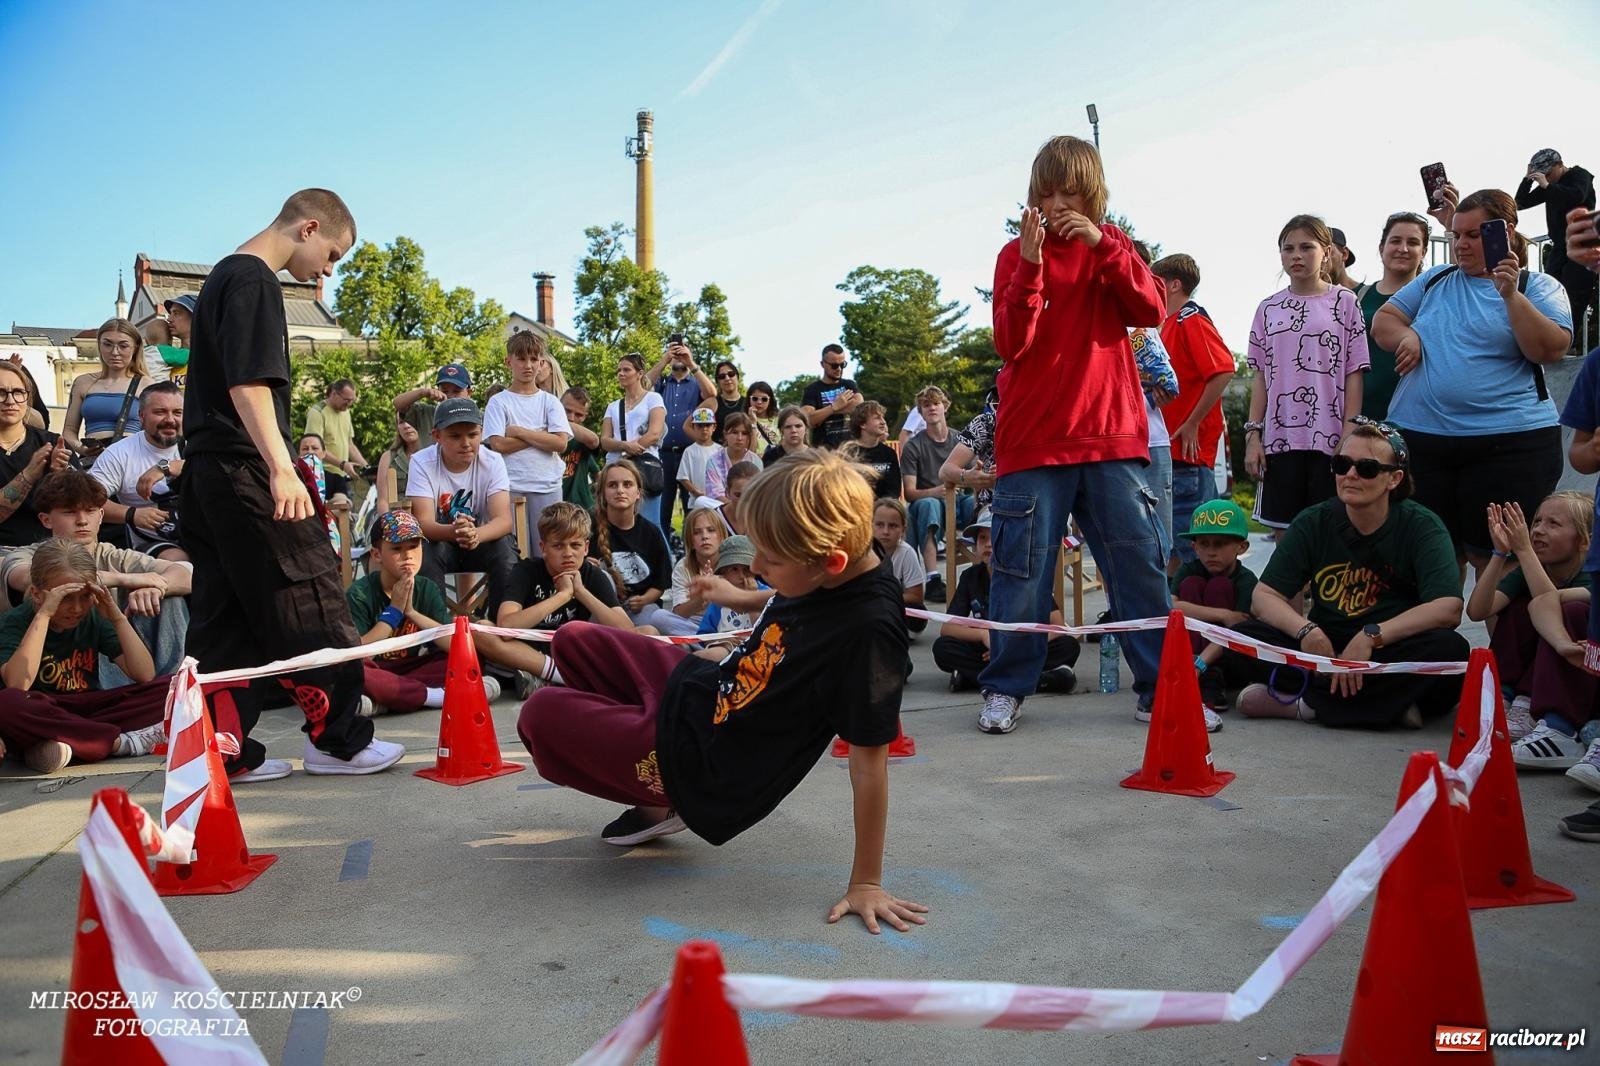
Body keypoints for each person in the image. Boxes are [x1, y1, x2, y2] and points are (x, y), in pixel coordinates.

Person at [518, 450, 930, 934]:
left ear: (830, 561)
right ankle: (638, 765)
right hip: (708, 689)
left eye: (769, 559)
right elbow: (799, 590)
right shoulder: (845, 559)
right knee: (575, 640)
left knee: (541, 713)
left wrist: (866, 882)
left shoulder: (870, 634)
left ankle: (663, 798)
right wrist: (740, 597)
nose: (755, 565)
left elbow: (868, 762)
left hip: (706, 762)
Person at [181, 187, 402, 780]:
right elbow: (249, 383)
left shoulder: (218, 282)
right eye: (332, 254)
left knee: (224, 613)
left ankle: (219, 749)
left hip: (207, 470)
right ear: (309, 228)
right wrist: (282, 466)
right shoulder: (254, 280)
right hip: (245, 463)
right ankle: (339, 741)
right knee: (309, 591)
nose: (327, 270)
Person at [980, 134, 1170, 734]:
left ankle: (1162, 690)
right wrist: (1033, 266)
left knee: (1138, 565)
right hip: (1033, 438)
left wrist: (1105, 246)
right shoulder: (1015, 255)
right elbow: (1012, 344)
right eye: (1047, 192)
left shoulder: (1115, 246)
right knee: (1021, 571)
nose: (1059, 204)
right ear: (1033, 198)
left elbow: (1149, 310)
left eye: (1072, 193)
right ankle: (1007, 686)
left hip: (1111, 433)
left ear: (1094, 197)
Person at [1373, 188, 1573, 578]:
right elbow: (1383, 323)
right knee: (1433, 560)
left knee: (1500, 561)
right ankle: (1434, 641)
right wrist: (1408, 336)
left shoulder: (1539, 287)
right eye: (1456, 235)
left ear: (1505, 231)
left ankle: (1502, 642)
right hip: (1423, 442)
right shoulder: (1435, 279)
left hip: (1510, 445)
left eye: (1473, 235)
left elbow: (1548, 349)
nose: (1460, 245)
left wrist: (1510, 295)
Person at [1228, 422, 1467, 728]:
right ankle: (1388, 707)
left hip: (1387, 650)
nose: (1350, 475)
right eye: (1342, 464)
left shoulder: (1422, 526)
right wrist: (1307, 632)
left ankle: (1306, 705)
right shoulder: (1313, 521)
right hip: (1322, 650)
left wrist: (1371, 636)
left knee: (1452, 651)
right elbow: (1263, 597)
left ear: (1394, 478)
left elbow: (1448, 608)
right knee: (1244, 637)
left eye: (1366, 468)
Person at [1, 470, 191, 684]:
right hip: (53, 664)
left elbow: (187, 574)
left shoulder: (114, 556)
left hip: (122, 658)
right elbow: (32, 579)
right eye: (70, 512)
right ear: (46, 520)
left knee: (170, 597)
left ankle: (174, 684)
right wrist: (128, 580)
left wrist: (157, 587)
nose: (82, 521)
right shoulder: (27, 555)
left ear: (101, 516)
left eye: (90, 511)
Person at [1243, 215, 1370, 531]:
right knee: (1286, 537)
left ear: (1326, 252)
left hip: (1331, 443)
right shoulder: (1267, 308)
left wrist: (1349, 432)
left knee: (1332, 535)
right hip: (1279, 442)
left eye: (1306, 247)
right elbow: (1261, 376)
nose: (1296, 255)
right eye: (1288, 248)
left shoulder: (1345, 302)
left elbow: (1355, 370)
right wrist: (1253, 435)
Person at [349, 509, 546, 713]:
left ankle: (388, 702)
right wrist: (394, 612)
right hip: (380, 669)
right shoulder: (360, 594)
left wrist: (413, 613)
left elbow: (452, 645)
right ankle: (437, 696)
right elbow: (358, 652)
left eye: (414, 546)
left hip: (416, 668)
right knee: (353, 671)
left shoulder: (426, 588)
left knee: (468, 657)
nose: (408, 555)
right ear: (377, 554)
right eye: (397, 549)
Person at [0, 539, 167, 774]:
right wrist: (44, 615)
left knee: (175, 687)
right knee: (7, 703)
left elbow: (144, 674)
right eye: (65, 598)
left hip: (89, 710)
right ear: (37, 594)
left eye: (85, 597)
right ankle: (120, 744)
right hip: (41, 712)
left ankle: (65, 746)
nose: (77, 608)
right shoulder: (14, 622)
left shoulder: (91, 618)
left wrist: (116, 616)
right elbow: (18, 685)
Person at [1462, 495, 1595, 759]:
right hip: (1532, 673)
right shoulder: (1532, 569)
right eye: (1537, 521)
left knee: (1570, 611)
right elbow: (1477, 611)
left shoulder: (1591, 573)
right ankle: (1505, 695)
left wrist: (1524, 552)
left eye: (1554, 524)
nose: (1537, 530)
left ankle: (1537, 710)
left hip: (1581, 678)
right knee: (1519, 607)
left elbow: (1548, 605)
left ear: (1583, 540)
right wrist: (1500, 554)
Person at [1150, 253, 1236, 570]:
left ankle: (1207, 615)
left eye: (1153, 281)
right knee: (1172, 550)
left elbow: (1224, 369)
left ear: (1174, 285)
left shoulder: (1191, 319)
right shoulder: (1165, 326)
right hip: (1170, 454)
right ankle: (1177, 615)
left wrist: (1191, 423)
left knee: (1196, 555)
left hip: (1187, 455)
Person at [934, 509, 1077, 694]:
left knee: (1068, 646)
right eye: (982, 538)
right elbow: (947, 628)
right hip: (987, 649)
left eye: (996, 537)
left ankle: (976, 679)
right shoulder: (971, 577)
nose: (988, 544)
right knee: (943, 648)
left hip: (1024, 645)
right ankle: (1039, 680)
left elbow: (1057, 625)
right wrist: (984, 636)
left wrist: (1017, 646)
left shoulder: (1027, 574)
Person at [497, 501, 628, 698]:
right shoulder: (526, 571)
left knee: (648, 632)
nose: (568, 553)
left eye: (575, 545)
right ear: (543, 547)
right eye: (558, 546)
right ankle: (562, 677)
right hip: (527, 650)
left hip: (574, 651)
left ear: (586, 548)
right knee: (480, 630)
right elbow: (506, 627)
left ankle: (544, 679)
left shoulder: (593, 575)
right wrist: (562, 596)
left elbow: (628, 631)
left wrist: (581, 591)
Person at [405, 397, 516, 618]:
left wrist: (475, 533)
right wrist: (454, 532)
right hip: (441, 542)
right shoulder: (421, 461)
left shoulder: (493, 461)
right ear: (436, 436)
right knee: (423, 551)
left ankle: (501, 628)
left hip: (480, 540)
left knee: (506, 551)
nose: (466, 443)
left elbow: (504, 520)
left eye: (473, 435)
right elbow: (423, 523)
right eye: (455, 436)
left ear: (482, 433)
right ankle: (437, 632)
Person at [484, 331, 573, 555]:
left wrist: (519, 431)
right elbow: (499, 445)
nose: (528, 365)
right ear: (509, 361)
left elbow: (561, 443)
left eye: (534, 359)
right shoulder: (499, 402)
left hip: (547, 486)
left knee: (550, 553)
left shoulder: (550, 402)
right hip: (511, 487)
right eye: (522, 358)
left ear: (541, 362)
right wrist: (541, 435)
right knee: (516, 554)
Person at [1168, 499, 1253, 729]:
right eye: (1204, 544)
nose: (1211, 552)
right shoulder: (1188, 569)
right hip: (1192, 657)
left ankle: (1212, 678)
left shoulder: (1246, 580)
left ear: (1241, 547)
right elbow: (1172, 606)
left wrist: (1201, 665)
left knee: (1220, 587)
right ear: (1194, 547)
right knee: (1192, 584)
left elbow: (1237, 629)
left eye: (1220, 543)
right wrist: (1223, 614)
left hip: (1227, 660)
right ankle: (1191, 673)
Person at [589, 460, 699, 636]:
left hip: (640, 608)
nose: (620, 490)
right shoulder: (588, 528)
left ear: (638, 493)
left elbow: (660, 584)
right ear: (602, 493)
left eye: (627, 484)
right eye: (612, 485)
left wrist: (644, 599)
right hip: (601, 608)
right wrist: (585, 566)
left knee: (655, 625)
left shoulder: (651, 533)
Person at [89, 382, 187, 560]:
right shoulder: (119, 453)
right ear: (141, 416)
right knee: (180, 561)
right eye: (160, 412)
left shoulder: (199, 444)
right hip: (154, 543)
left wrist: (169, 467)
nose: (170, 419)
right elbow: (86, 499)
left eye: (177, 412)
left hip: (205, 534)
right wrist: (131, 514)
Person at [1515, 149, 1597, 348]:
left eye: (1549, 174)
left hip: (1582, 245)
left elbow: (1576, 195)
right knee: (1549, 292)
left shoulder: (1579, 175)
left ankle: (1566, 344)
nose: (1548, 180)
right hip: (1560, 246)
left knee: (1574, 296)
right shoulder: (1551, 185)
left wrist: (1546, 186)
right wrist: (1528, 180)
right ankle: (1548, 340)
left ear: (1560, 165)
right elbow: (1520, 203)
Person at [1355, 212, 1431, 420]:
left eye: (1413, 242)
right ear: (1381, 248)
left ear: (1423, 251)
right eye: (1395, 241)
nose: (1403, 249)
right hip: (1363, 418)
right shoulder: (1356, 297)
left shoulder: (1435, 298)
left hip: (1419, 420)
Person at [900, 386, 968, 603]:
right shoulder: (914, 446)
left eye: (936, 403)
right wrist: (938, 490)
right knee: (929, 505)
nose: (931, 408)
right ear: (920, 412)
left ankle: (984, 570)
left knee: (980, 502)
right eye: (926, 405)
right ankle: (933, 579)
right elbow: (910, 493)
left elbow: (976, 474)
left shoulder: (961, 439)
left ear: (945, 407)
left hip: (959, 499)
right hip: (929, 502)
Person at [0, 362, 72, 549]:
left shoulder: (53, 443)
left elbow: (79, 511)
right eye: (1, 393)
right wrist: (28, 475)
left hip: (54, 549)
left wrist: (58, 475)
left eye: (18, 392)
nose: (10, 400)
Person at [646, 339, 714, 533]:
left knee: (692, 509)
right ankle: (665, 556)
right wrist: (664, 360)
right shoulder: (662, 383)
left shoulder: (695, 383)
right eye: (675, 352)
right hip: (664, 453)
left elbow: (711, 394)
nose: (678, 355)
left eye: (682, 352)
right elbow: (643, 385)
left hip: (690, 453)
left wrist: (691, 363)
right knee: (663, 510)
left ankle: (691, 555)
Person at [62, 319, 151, 464]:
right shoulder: (82, 382)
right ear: (99, 345)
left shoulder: (147, 384)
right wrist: (82, 449)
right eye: (108, 344)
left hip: (131, 461)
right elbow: (69, 431)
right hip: (93, 462)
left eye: (123, 346)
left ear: (135, 347)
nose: (115, 352)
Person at [602, 353, 668, 532]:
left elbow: (655, 433)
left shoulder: (653, 399)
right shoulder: (613, 406)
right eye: (619, 370)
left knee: (650, 523)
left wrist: (629, 453)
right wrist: (624, 447)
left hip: (644, 466)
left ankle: (659, 559)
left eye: (626, 370)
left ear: (639, 374)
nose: (621, 374)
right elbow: (605, 440)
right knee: (614, 522)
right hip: (615, 467)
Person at [692, 534, 772, 635]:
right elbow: (706, 634)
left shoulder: (765, 593)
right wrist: (724, 642)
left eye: (746, 569)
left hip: (757, 646)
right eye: (734, 569)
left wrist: (752, 595)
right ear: (724, 572)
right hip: (726, 646)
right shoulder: (720, 599)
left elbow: (765, 631)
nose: (742, 575)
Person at [872, 497, 926, 635]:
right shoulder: (861, 552)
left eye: (893, 526)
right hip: (866, 605)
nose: (885, 531)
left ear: (903, 529)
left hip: (892, 604)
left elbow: (916, 596)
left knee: (917, 615)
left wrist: (885, 599)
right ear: (869, 525)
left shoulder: (906, 553)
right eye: (879, 524)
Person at [667, 504, 727, 622]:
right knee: (658, 617)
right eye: (697, 532)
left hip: (727, 621)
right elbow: (679, 613)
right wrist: (701, 596)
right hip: (695, 621)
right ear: (691, 541)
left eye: (711, 530)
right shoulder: (682, 566)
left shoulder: (732, 562)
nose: (705, 537)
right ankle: (701, 638)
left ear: (721, 536)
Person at [304, 378, 365, 486]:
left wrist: (366, 467)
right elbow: (314, 449)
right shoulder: (317, 413)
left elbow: (349, 445)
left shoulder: (346, 412)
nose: (349, 404)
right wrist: (342, 464)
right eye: (346, 400)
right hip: (322, 476)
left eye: (352, 401)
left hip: (342, 476)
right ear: (334, 394)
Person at [801, 345, 863, 448]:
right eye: (834, 366)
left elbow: (858, 406)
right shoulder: (812, 390)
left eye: (842, 364)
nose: (839, 369)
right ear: (822, 364)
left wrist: (825, 412)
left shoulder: (849, 384)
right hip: (823, 454)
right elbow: (808, 419)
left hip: (850, 451)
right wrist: (833, 406)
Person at [395, 362, 473, 438]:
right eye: (445, 391)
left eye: (457, 391)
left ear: (469, 393)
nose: (451, 396)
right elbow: (398, 404)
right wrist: (423, 393)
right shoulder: (427, 414)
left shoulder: (479, 418)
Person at [840, 402, 899, 501]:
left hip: (883, 508)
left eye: (882, 417)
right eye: (877, 418)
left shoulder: (889, 453)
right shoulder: (847, 453)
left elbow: (894, 490)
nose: (883, 422)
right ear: (862, 424)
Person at [559, 387, 602, 512]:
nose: (571, 417)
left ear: (585, 417)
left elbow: (593, 441)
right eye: (567, 411)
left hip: (581, 508)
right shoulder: (545, 433)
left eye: (578, 415)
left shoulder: (582, 440)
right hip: (554, 506)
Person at [705, 411, 762, 502]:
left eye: (744, 433)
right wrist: (734, 508)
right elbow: (715, 494)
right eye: (734, 432)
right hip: (721, 510)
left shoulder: (755, 461)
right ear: (725, 434)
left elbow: (757, 493)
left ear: (749, 437)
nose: (739, 438)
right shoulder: (713, 461)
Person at [374, 417, 421, 511]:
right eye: (401, 422)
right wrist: (388, 523)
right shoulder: (388, 457)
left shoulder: (436, 454)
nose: (406, 426)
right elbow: (383, 501)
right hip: (396, 518)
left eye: (411, 421)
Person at [676, 408, 721, 501]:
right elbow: (683, 477)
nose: (704, 429)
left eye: (708, 425)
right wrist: (695, 491)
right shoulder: (689, 451)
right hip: (696, 501)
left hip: (718, 500)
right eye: (700, 425)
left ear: (714, 427)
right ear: (693, 427)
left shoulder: (720, 450)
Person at [700, 360, 747, 445]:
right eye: (722, 376)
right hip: (716, 455)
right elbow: (688, 426)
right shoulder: (712, 403)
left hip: (742, 455)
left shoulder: (749, 404)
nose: (727, 378)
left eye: (731, 374)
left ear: (737, 377)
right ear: (718, 382)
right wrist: (706, 446)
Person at [297, 433, 350, 505]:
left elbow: (341, 504)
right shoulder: (291, 478)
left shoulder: (336, 480)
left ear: (324, 454)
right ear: (298, 455)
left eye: (315, 448)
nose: (310, 452)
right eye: (305, 449)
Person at [157, 294, 196, 390]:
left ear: (196, 316)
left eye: (176, 313)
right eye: (170, 313)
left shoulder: (213, 357)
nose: (169, 319)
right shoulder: (165, 360)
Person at [723, 461, 760, 536]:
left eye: (750, 494)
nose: (744, 501)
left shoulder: (769, 520)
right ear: (727, 492)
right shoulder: (712, 521)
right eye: (738, 495)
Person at [745, 380, 779, 451]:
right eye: (755, 398)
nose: (759, 402)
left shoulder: (779, 420)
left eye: (764, 399)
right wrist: (753, 423)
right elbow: (750, 451)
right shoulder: (743, 420)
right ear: (749, 399)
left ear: (770, 400)